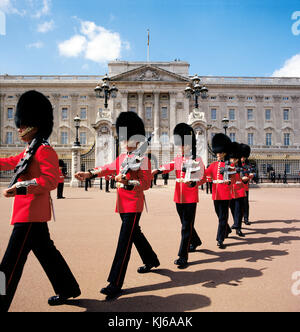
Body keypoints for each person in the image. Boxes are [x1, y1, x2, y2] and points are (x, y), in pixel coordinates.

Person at [0, 90, 81, 312]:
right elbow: (8, 162)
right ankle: (68, 288)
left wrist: (20, 188)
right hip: (29, 215)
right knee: (47, 253)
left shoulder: (44, 150)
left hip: (29, 215)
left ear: (34, 125)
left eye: (23, 123)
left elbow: (50, 180)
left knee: (8, 266)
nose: (18, 128)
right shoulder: (30, 151)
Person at [75, 111, 159, 299]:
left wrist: (128, 182)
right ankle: (151, 259)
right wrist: (90, 174)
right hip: (122, 204)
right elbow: (108, 168)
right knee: (135, 234)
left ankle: (115, 282)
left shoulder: (143, 159)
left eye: (125, 138)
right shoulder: (123, 158)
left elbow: (145, 184)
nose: (122, 141)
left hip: (134, 205)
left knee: (124, 242)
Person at [152, 123, 205, 269]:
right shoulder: (178, 159)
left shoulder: (197, 159)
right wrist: (157, 170)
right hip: (178, 196)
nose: (182, 147)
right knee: (185, 224)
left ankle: (183, 256)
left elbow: (203, 177)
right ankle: (196, 241)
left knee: (185, 227)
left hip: (190, 197)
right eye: (180, 144)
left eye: (184, 144)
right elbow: (168, 166)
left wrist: (194, 183)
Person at [205, 133, 235, 249]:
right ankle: (226, 229)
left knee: (223, 217)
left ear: (225, 153)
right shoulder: (213, 165)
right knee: (219, 215)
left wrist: (229, 182)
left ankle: (220, 238)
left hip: (225, 193)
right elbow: (205, 174)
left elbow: (234, 178)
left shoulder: (229, 165)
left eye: (221, 152)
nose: (218, 154)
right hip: (215, 194)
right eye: (217, 152)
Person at [229, 142, 246, 237]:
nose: (233, 160)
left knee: (239, 211)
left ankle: (238, 228)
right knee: (233, 210)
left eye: (234, 159)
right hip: (231, 192)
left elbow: (243, 177)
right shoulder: (228, 167)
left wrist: (245, 179)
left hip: (239, 191)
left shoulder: (241, 168)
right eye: (232, 158)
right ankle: (236, 224)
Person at [240, 144, 254, 226]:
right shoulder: (236, 164)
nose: (243, 158)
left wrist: (250, 176)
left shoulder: (248, 165)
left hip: (245, 187)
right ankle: (239, 218)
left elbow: (251, 172)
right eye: (242, 157)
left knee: (245, 203)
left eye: (244, 157)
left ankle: (246, 218)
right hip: (237, 187)